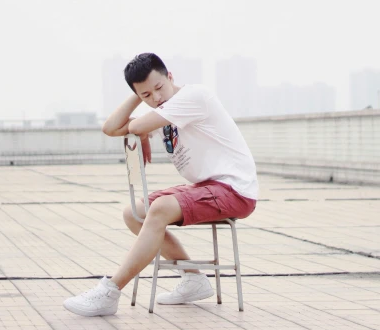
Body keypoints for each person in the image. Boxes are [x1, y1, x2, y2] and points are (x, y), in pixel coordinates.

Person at [63, 53, 258, 316]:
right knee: (134, 212)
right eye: (146, 95)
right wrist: (138, 95)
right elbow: (110, 127)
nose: (156, 98)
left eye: (159, 87)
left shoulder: (193, 97)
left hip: (234, 190)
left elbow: (132, 126)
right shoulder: (163, 109)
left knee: (161, 208)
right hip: (208, 187)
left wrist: (139, 126)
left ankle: (110, 291)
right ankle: (193, 279)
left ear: (170, 77)